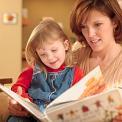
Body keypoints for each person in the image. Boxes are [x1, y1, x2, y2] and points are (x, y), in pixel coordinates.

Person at [7, 19, 84, 122]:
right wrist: (23, 97)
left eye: (54, 50)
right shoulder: (32, 71)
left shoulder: (75, 72)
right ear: (37, 54)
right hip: (33, 115)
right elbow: (18, 87)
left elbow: (82, 95)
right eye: (43, 54)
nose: (50, 58)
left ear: (65, 45)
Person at [70, 0, 122, 121]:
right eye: (84, 27)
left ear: (114, 22)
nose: (90, 34)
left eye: (97, 24)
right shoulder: (73, 58)